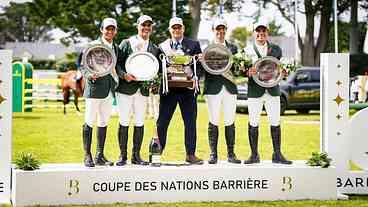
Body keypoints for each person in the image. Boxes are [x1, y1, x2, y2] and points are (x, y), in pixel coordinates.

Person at [243, 22, 292, 165]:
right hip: (254, 91)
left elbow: (281, 67)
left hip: (272, 90)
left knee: (275, 121)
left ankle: (277, 154)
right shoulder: (247, 50)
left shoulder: (276, 49)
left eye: (263, 31)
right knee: (253, 122)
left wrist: (284, 72)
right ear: (254, 33)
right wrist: (247, 72)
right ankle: (254, 155)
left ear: (267, 33)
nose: (260, 34)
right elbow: (241, 70)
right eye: (258, 31)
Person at [156, 17, 203, 164]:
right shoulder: (162, 47)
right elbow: (158, 67)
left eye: (179, 27)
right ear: (170, 30)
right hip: (168, 90)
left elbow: (199, 64)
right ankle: (156, 154)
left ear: (183, 29)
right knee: (162, 123)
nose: (176, 30)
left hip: (187, 90)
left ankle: (190, 154)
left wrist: (196, 77)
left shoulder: (194, 44)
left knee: (190, 123)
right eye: (174, 28)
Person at [115, 15, 161, 166]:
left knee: (140, 122)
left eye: (149, 25)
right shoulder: (126, 43)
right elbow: (117, 64)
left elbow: (156, 70)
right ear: (138, 26)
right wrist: (124, 75)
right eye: (143, 25)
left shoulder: (154, 48)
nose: (146, 28)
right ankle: (123, 156)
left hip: (143, 91)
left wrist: (155, 82)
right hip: (125, 89)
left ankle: (136, 156)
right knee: (124, 121)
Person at [79, 17, 119, 167]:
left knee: (103, 122)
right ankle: (87, 155)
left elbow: (116, 66)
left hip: (109, 89)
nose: (109, 31)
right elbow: (82, 65)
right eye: (107, 28)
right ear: (101, 30)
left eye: (112, 29)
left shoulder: (115, 46)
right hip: (94, 89)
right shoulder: (93, 45)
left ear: (115, 31)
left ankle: (99, 155)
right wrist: (89, 75)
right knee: (89, 121)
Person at [203, 19, 241, 164]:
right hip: (213, 88)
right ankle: (213, 154)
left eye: (223, 29)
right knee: (213, 120)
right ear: (213, 30)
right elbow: (203, 71)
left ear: (226, 30)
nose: (220, 32)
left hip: (230, 88)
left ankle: (231, 154)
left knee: (230, 120)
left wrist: (241, 66)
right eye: (217, 29)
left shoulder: (234, 48)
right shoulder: (207, 49)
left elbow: (237, 71)